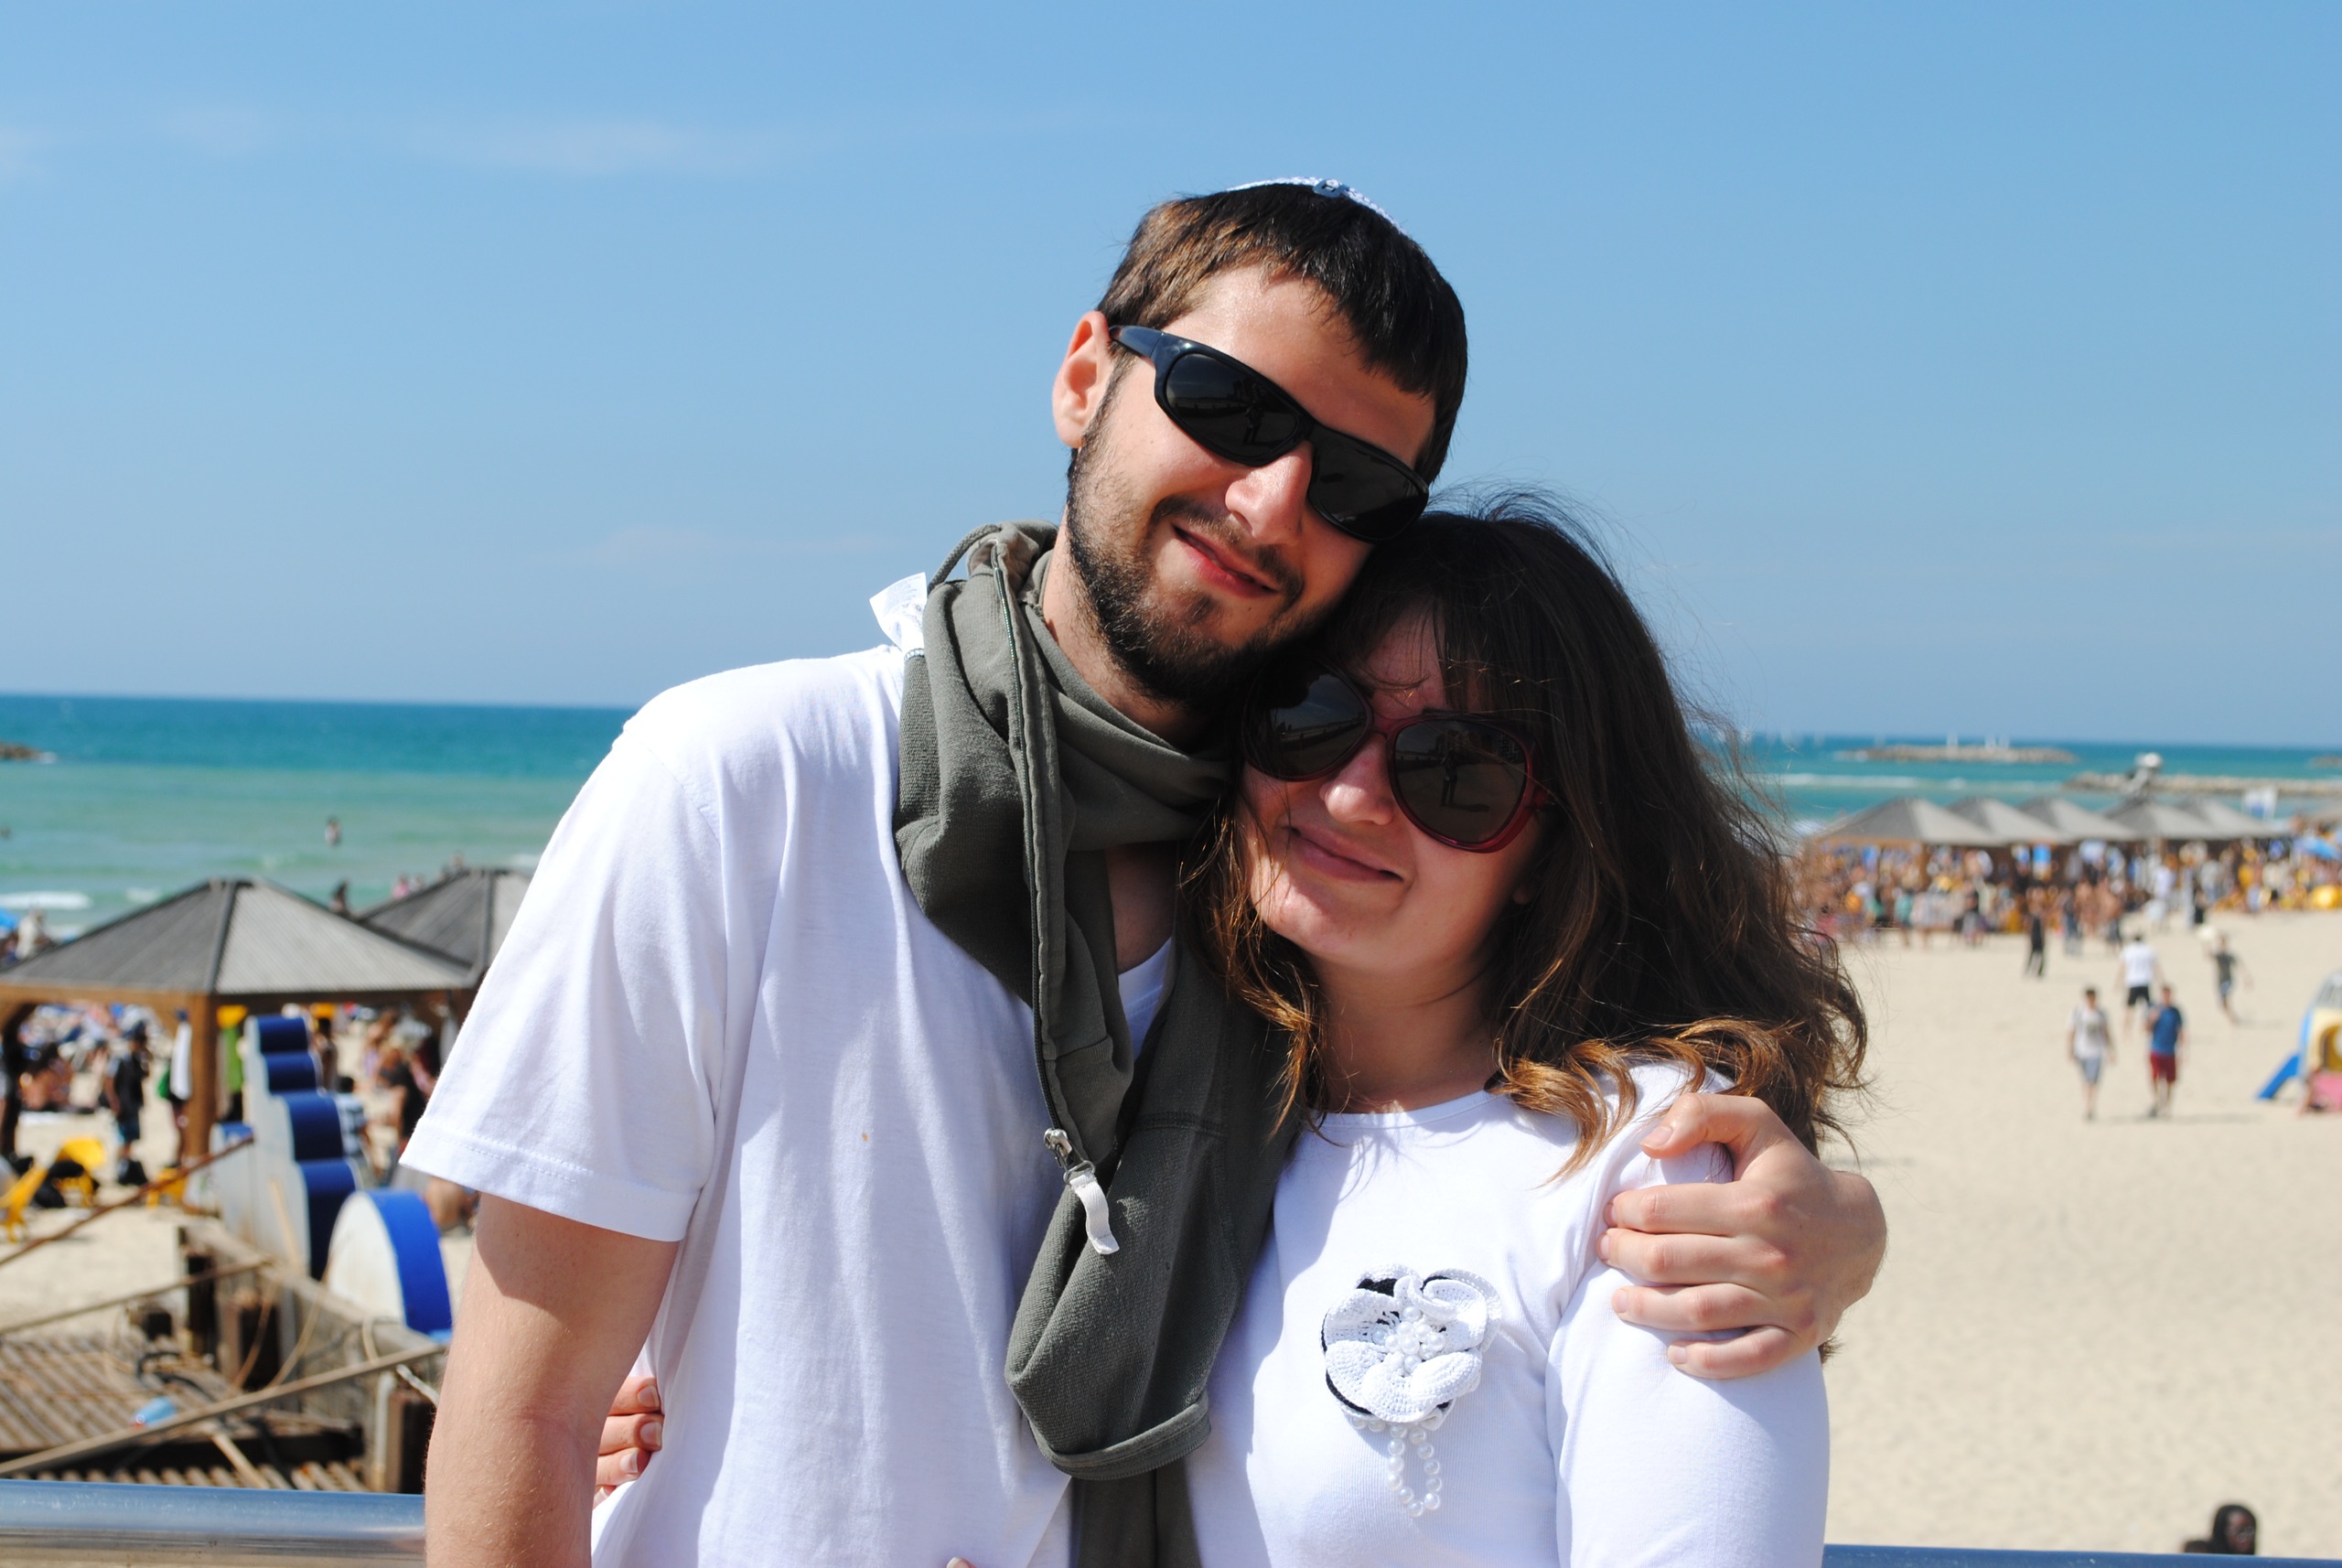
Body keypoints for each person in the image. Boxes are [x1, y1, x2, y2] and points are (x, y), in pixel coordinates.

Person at [410, 181, 1886, 1568]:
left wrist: (1838, 1227)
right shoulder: (750, 784)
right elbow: (528, 1405)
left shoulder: (1292, 902)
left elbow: (1473, 1169)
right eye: (1230, 408)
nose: (1272, 501)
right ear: (1084, 376)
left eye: (1354, 485)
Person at [105, 1022, 151, 1186]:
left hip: (133, 1104)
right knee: (122, 1138)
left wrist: (146, 1056)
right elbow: (109, 1082)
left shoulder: (136, 1059)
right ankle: (120, 1170)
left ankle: (124, 1169)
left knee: (129, 1139)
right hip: (123, 1105)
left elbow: (145, 1075)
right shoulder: (120, 1059)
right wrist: (114, 1102)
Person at [2067, 986, 2113, 1121]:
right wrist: (2070, 1050)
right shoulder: (2078, 1013)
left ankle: (2089, 1108)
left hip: (2096, 1052)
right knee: (2086, 1081)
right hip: (2082, 1051)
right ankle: (2087, 1105)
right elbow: (2072, 1032)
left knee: (2092, 1081)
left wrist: (2110, 1049)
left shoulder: (2101, 1014)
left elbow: (2106, 1032)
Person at [2147, 983, 2186, 1118]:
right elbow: (2146, 1029)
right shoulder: (2155, 1010)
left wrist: (2182, 1050)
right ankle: (2157, 1101)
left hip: (2170, 1050)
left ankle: (2167, 1106)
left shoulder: (2176, 1012)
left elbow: (2180, 1031)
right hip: (2156, 1049)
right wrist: (2152, 1019)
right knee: (2155, 1078)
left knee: (2170, 1081)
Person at [2117, 929, 2160, 1039]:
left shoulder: (2128, 950)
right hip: (2145, 981)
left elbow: (2122, 967)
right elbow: (2155, 967)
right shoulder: (2149, 950)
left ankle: (2125, 1031)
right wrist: (2161, 980)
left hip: (2133, 981)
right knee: (2148, 1009)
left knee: (2129, 1009)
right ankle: (2145, 1031)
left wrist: (2118, 982)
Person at [2182, 1501, 2258, 1554]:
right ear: (2221, 1532)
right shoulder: (2202, 1554)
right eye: (2238, 1531)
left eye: (2250, 1531)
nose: (2246, 1537)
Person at [2208, 929, 2248, 1022]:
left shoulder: (2229, 956)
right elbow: (2209, 956)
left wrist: (2246, 979)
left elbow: (2239, 967)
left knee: (2224, 1000)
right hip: (2220, 981)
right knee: (2222, 1004)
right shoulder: (2218, 955)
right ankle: (2233, 1018)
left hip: (2228, 980)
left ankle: (2232, 1019)